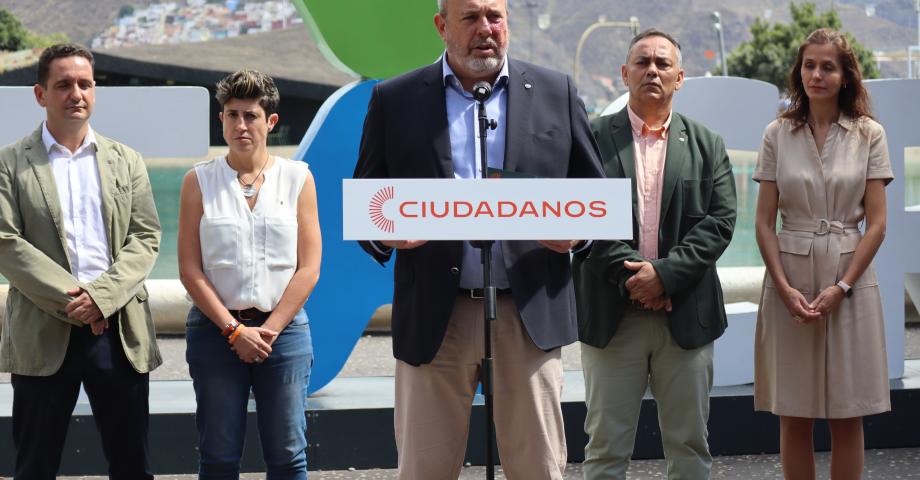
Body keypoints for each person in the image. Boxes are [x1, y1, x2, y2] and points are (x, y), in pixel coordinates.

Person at [352, 0, 604, 477]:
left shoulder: (556, 91)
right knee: (424, 468)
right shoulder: (395, 98)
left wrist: (577, 234)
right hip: (433, 318)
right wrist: (388, 233)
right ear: (442, 26)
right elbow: (367, 196)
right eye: (471, 18)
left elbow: (594, 194)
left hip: (527, 313)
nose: (485, 29)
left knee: (539, 468)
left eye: (495, 16)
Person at [573, 29, 737, 479]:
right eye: (642, 62)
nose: (652, 70)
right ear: (624, 73)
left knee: (689, 447)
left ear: (679, 78)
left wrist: (664, 276)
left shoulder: (707, 144)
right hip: (612, 315)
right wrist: (634, 279)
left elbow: (720, 222)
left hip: (684, 315)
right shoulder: (589, 138)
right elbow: (579, 217)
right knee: (605, 448)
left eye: (663, 64)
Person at [0, 43, 161, 479]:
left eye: (85, 84)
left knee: (132, 465)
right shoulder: (9, 163)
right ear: (40, 94)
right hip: (43, 331)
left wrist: (101, 298)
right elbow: (6, 242)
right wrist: (78, 299)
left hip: (117, 331)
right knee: (35, 466)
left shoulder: (126, 160)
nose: (77, 93)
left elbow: (145, 237)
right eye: (64, 84)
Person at [753, 28, 892, 480]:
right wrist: (783, 287)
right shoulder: (777, 133)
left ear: (846, 75)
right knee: (794, 414)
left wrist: (842, 286)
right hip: (789, 278)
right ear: (799, 71)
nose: (816, 74)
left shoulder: (869, 134)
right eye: (809, 65)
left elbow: (877, 223)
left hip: (850, 279)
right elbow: (763, 222)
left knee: (847, 414)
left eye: (827, 66)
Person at [178, 69, 321, 479]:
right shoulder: (198, 181)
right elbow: (190, 269)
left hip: (285, 333)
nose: (241, 125)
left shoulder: (298, 178)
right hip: (215, 332)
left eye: (251, 115)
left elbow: (308, 267)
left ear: (270, 121)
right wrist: (233, 331)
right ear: (221, 119)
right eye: (232, 115)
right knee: (218, 455)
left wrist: (270, 330)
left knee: (289, 453)